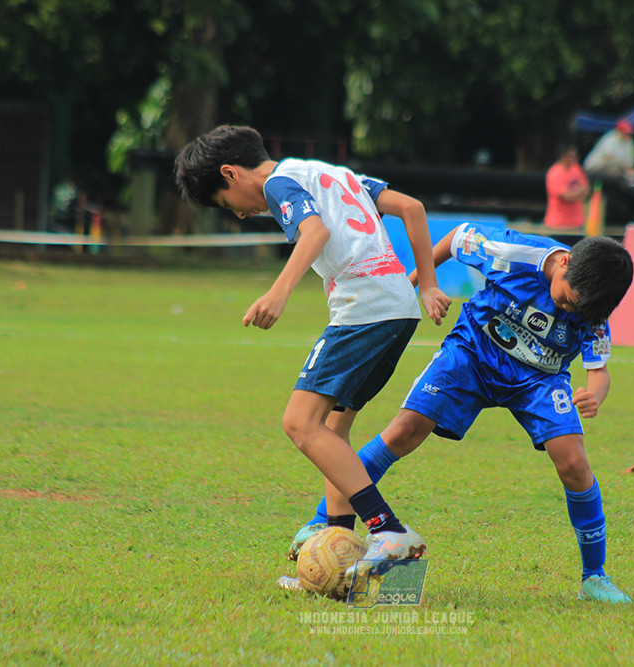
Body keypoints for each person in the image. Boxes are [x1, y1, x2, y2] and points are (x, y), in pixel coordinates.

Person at [289, 224, 634, 603]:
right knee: (405, 429)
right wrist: (417, 285)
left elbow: (598, 372)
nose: (567, 310)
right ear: (565, 263)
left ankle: (594, 577)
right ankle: (324, 520)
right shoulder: (513, 253)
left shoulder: (594, 302)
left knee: (573, 462)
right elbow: (456, 239)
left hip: (540, 378)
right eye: (568, 300)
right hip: (472, 353)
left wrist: (595, 396)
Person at [174, 125, 453, 574]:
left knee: (299, 422)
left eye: (229, 205)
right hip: (396, 306)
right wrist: (429, 284)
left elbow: (315, 232)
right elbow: (411, 208)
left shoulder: (278, 182)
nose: (242, 215)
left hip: (364, 307)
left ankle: (388, 530)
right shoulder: (327, 173)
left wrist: (278, 292)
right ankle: (337, 547)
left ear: (231, 173)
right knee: (333, 431)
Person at [583, 119, 634, 223]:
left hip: (617, 171)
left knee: (632, 177)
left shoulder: (629, 143)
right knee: (615, 164)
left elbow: (630, 164)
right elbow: (608, 157)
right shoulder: (610, 138)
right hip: (596, 169)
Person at [543, 142, 590, 229]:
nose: (575, 159)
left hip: (577, 224)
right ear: (564, 157)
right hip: (559, 225)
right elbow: (566, 197)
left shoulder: (576, 168)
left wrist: (577, 193)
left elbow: (586, 189)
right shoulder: (555, 173)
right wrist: (580, 192)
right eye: (573, 156)